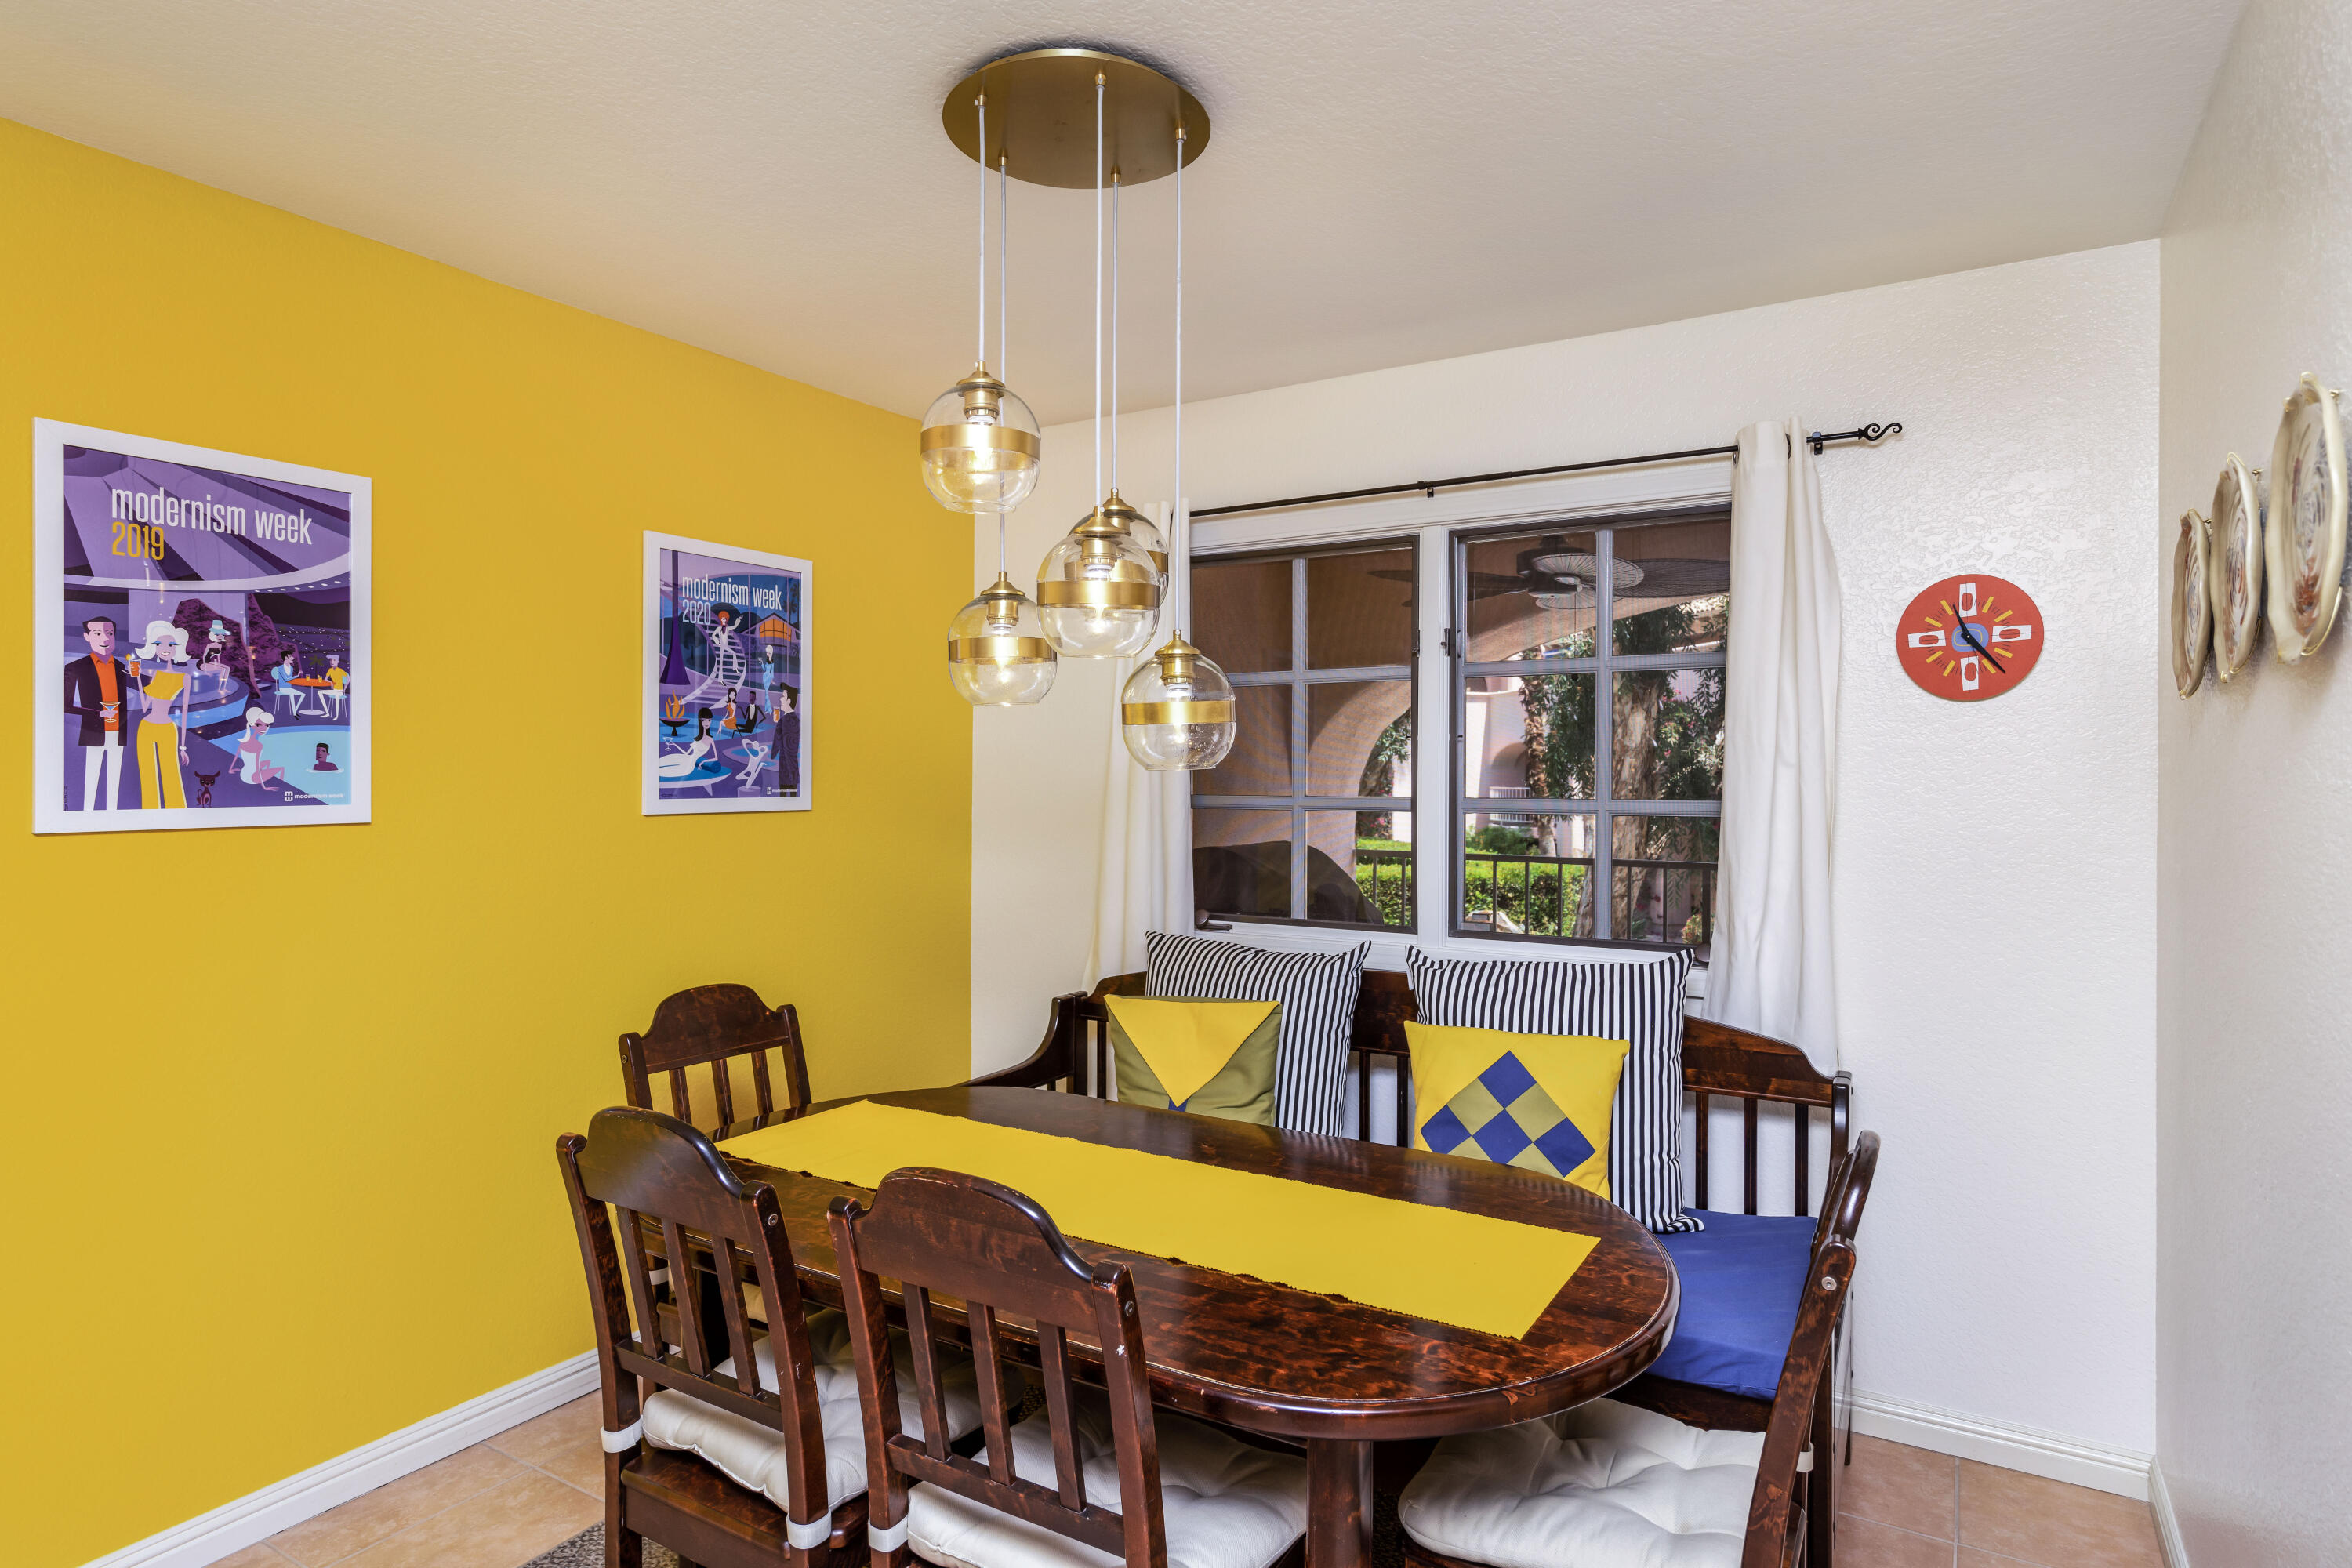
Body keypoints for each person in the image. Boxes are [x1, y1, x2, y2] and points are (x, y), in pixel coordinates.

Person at [62, 615, 132, 811]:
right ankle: (87, 816)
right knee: (91, 778)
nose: (105, 639)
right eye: (97, 633)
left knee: (115, 782)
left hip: (118, 732)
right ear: (87, 637)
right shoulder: (75, 668)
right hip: (94, 731)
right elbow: (65, 705)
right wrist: (98, 714)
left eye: (109, 633)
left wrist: (137, 678)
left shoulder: (121, 668)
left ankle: (112, 816)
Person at [132, 621, 193, 808]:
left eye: (170, 645)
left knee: (170, 772)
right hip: (145, 728)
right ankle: (150, 811)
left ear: (177, 648)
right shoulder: (156, 675)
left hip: (167, 729)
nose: (164, 649)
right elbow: (145, 707)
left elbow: (184, 713)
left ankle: (177, 811)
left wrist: (183, 747)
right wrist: (138, 679)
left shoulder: (184, 678)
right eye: (159, 644)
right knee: (147, 774)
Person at [232, 707, 285, 790]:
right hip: (252, 778)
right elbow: (257, 765)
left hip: (243, 774)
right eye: (259, 725)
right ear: (253, 726)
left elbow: (236, 755)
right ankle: (281, 788)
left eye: (267, 725)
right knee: (281, 769)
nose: (264, 728)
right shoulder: (259, 746)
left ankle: (265, 779)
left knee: (268, 762)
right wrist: (265, 788)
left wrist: (231, 769)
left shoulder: (244, 741)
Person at [657, 710, 717, 779]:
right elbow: (686, 753)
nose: (707, 723)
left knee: (663, 771)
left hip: (689, 765)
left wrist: (703, 762)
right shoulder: (697, 739)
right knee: (660, 763)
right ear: (700, 721)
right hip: (684, 758)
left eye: (709, 720)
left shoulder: (710, 739)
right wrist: (675, 745)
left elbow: (716, 758)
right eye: (704, 720)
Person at [775, 684, 800, 796]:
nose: (780, 699)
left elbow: (779, 742)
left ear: (789, 701)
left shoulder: (783, 721)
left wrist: (774, 751)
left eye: (783, 696)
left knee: (784, 795)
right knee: (793, 795)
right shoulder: (797, 721)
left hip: (785, 768)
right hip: (793, 768)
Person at [271, 651, 302, 717]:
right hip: (283, 689)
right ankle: (294, 713)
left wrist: (296, 678)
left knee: (302, 695)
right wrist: (297, 676)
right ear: (286, 658)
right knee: (292, 694)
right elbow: (286, 679)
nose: (293, 658)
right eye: (290, 656)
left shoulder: (291, 668)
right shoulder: (280, 668)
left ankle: (295, 711)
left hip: (289, 688)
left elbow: (290, 679)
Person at [321, 653, 347, 720]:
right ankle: (327, 713)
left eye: (334, 660)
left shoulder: (340, 670)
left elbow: (348, 679)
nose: (332, 662)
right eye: (331, 660)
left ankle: (337, 716)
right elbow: (325, 679)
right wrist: (331, 683)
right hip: (334, 690)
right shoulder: (330, 670)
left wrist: (344, 689)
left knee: (337, 696)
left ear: (338, 662)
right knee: (320, 692)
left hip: (340, 691)